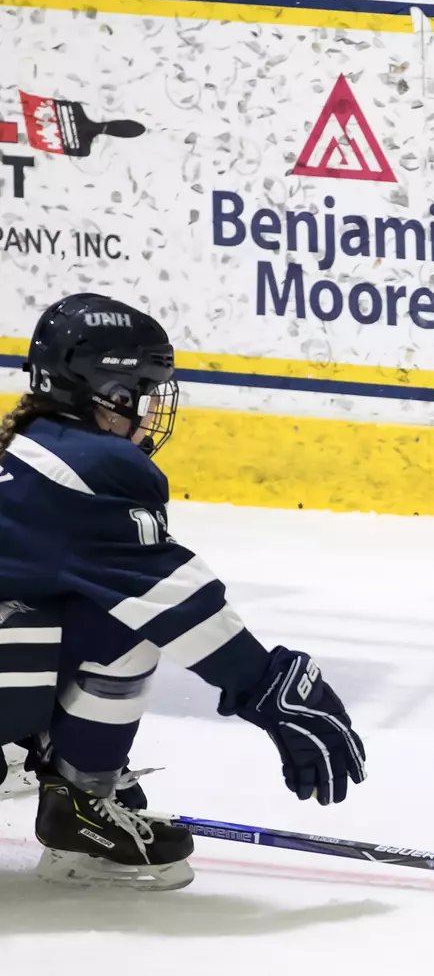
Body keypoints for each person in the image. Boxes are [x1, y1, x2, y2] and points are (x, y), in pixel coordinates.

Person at [0, 293, 366, 890]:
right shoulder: (92, 466)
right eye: (143, 391)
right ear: (109, 393)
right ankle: (80, 812)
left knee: (50, 612)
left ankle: (34, 755)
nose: (150, 410)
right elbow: (176, 603)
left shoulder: (25, 446)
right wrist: (268, 685)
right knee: (120, 624)